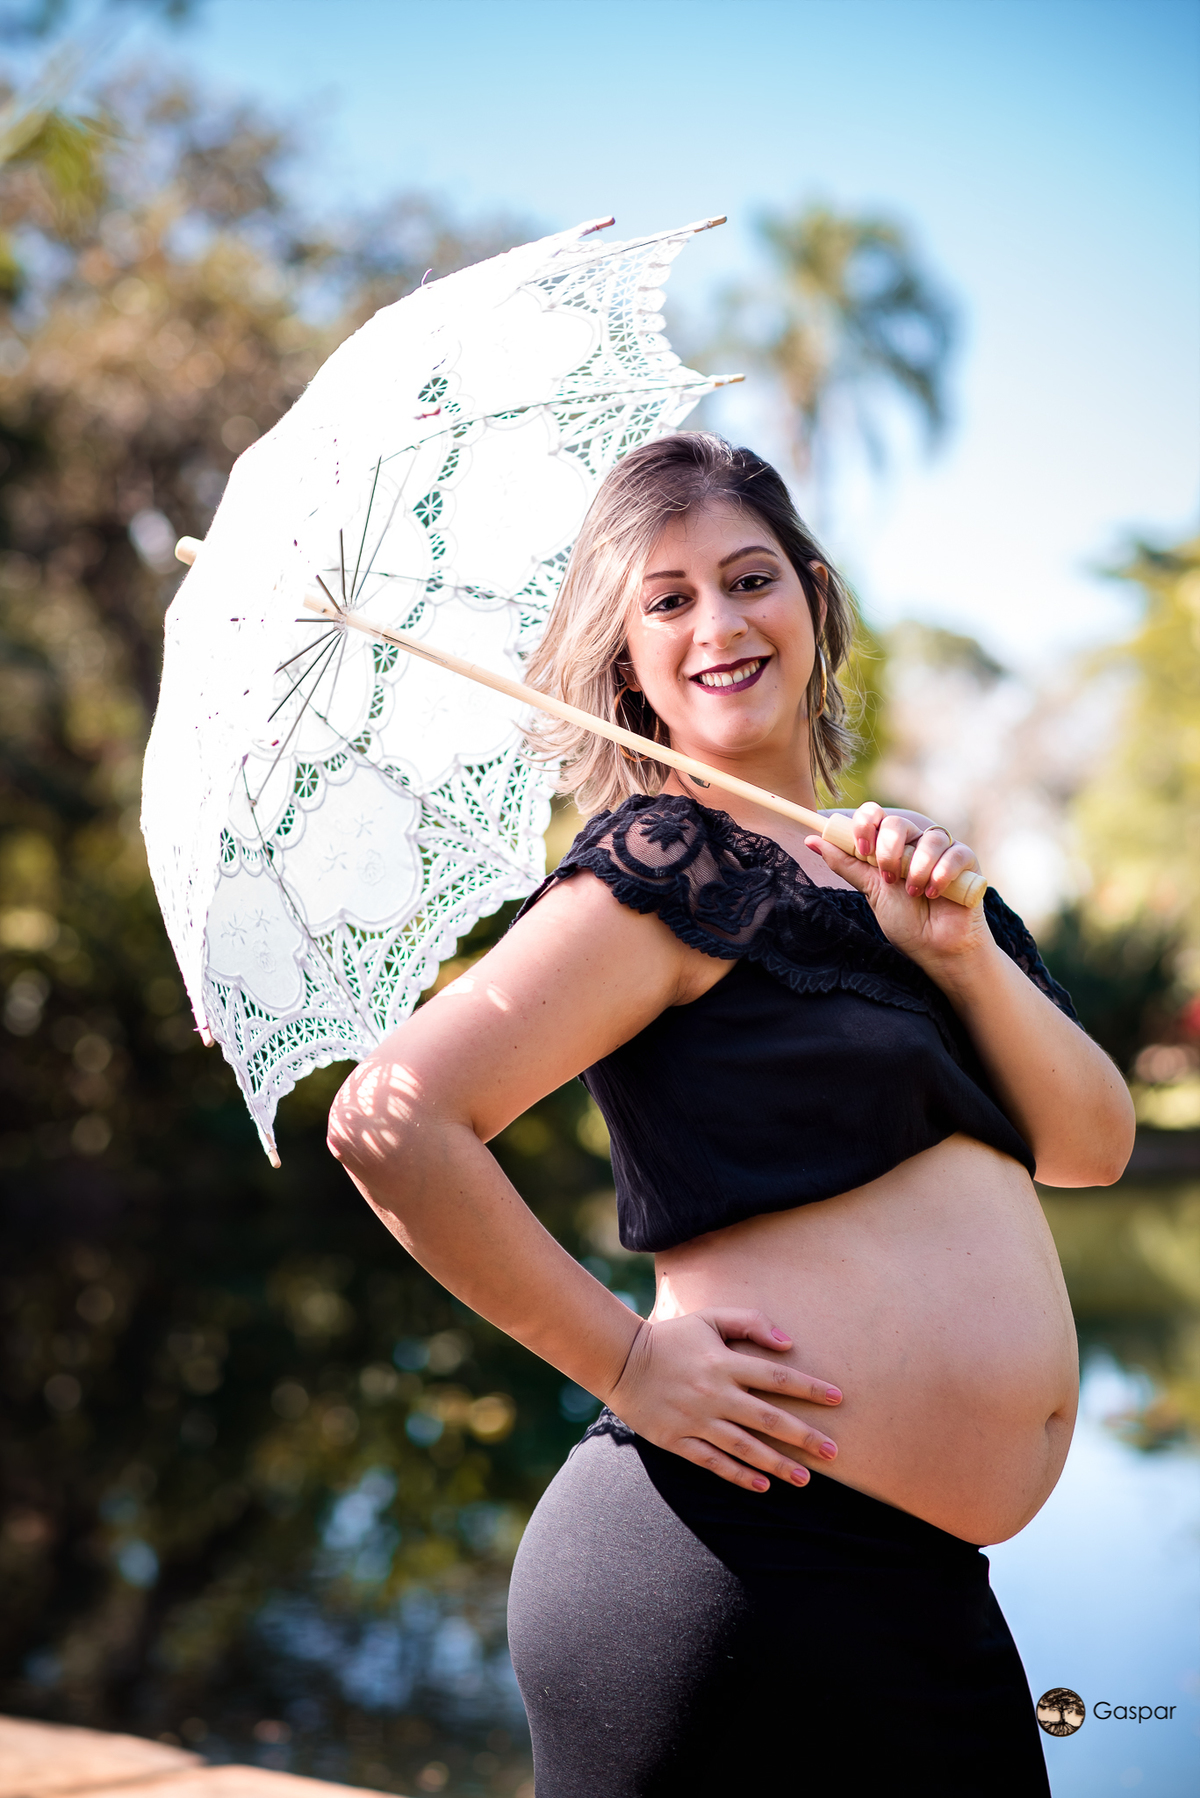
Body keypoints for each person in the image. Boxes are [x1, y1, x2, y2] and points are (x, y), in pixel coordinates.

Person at [328, 434, 1134, 1796]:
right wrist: (628, 1364)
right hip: (726, 1560)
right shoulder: (665, 864)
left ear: (812, 595)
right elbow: (390, 1121)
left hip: (915, 1584)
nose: (718, 623)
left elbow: (1093, 1144)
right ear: (627, 660)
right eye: (668, 599)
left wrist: (960, 953)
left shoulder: (914, 876)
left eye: (750, 578)